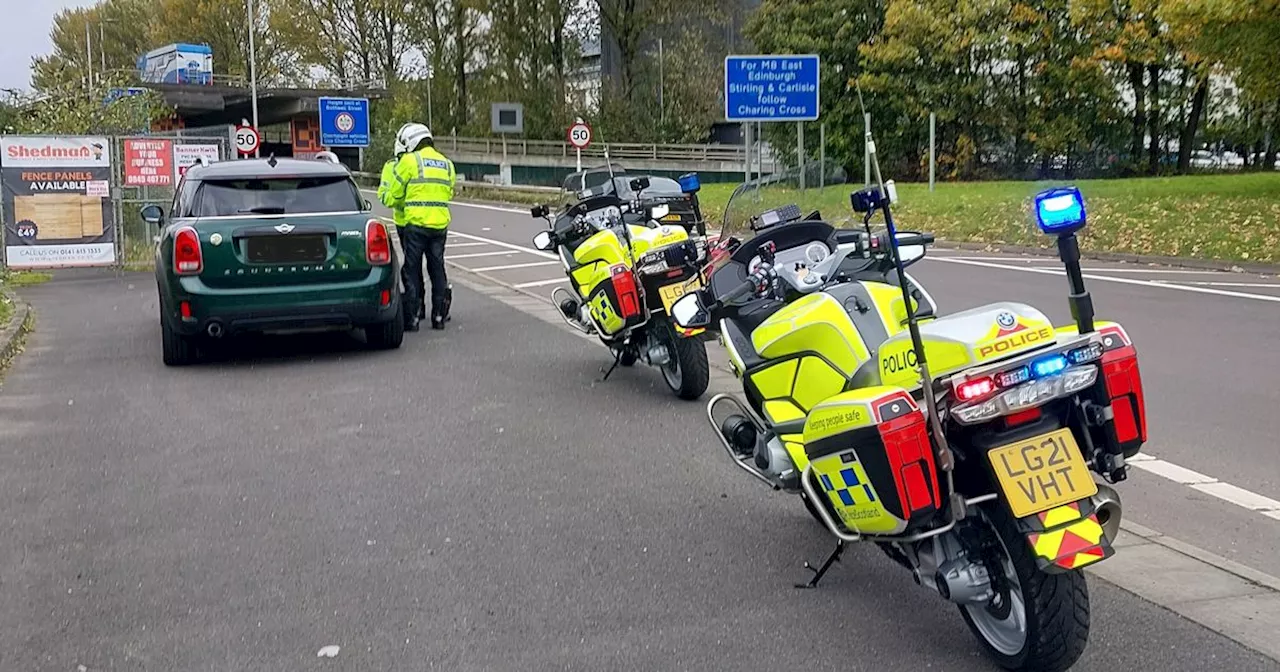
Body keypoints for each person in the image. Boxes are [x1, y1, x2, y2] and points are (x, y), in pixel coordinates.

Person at [381, 122, 456, 331]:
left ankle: (413, 318)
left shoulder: (409, 161)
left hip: (416, 226)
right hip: (440, 226)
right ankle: (439, 317)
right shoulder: (446, 163)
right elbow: (448, 193)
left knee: (411, 270)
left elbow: (394, 195)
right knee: (437, 269)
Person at [377, 127, 425, 320]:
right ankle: (416, 305)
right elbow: (384, 194)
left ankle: (417, 305)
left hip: (417, 221)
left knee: (416, 266)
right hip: (403, 223)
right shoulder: (391, 167)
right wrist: (400, 198)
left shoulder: (416, 163)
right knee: (413, 266)